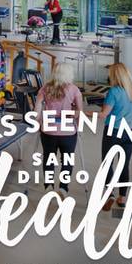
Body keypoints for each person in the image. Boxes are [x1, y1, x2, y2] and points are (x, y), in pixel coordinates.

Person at [35, 62, 84, 198]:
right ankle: (63, 188)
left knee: (49, 158)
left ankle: (48, 186)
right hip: (68, 132)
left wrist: (39, 123)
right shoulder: (74, 89)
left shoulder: (45, 88)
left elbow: (37, 109)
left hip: (48, 130)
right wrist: (78, 128)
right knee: (67, 160)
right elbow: (79, 111)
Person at [99, 63, 132, 210]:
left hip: (114, 131)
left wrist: (83, 113)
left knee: (107, 163)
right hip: (130, 131)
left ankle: (110, 194)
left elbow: (104, 114)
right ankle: (122, 198)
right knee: (124, 164)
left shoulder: (113, 92)